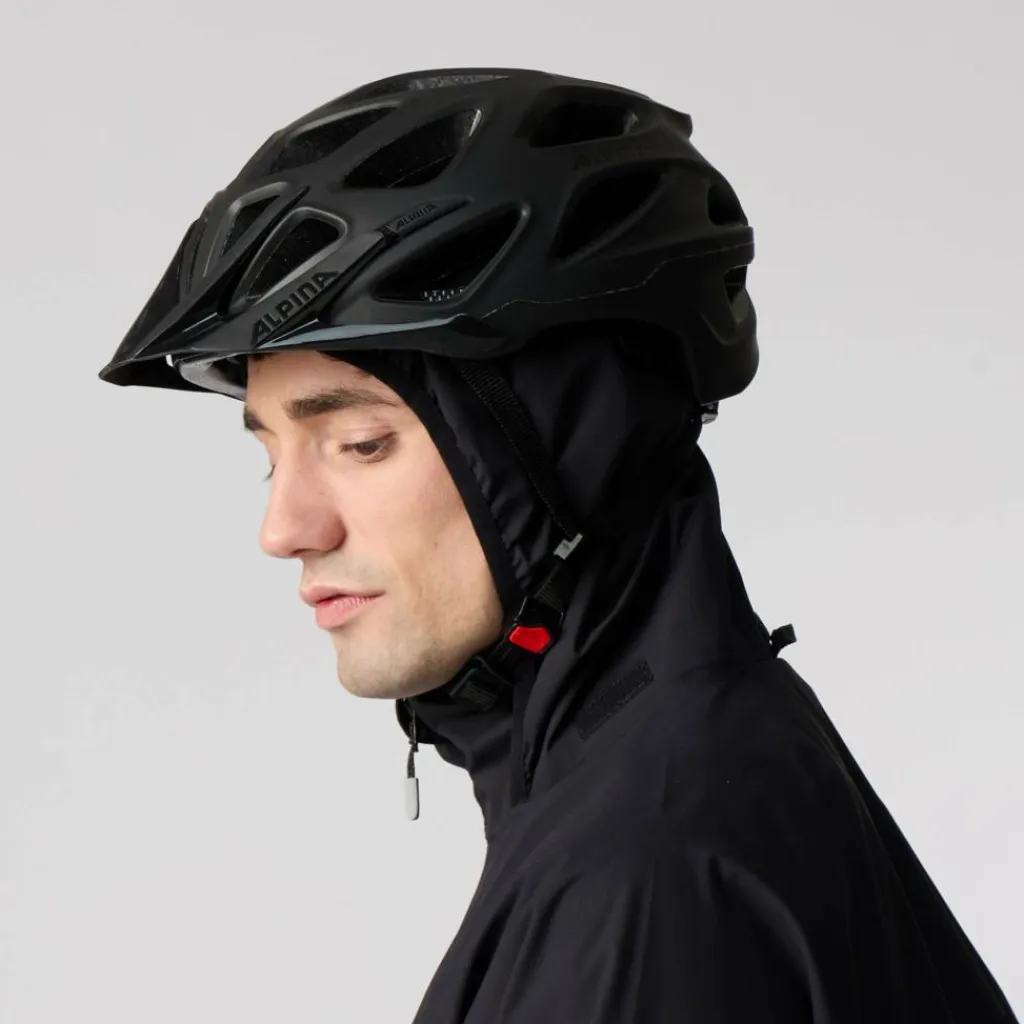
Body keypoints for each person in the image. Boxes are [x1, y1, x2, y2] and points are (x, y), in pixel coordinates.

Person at [97, 67, 1019, 1023]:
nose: (285, 529)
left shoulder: (644, 886)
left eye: (361, 444)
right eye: (269, 457)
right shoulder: (674, 773)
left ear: (570, 440)